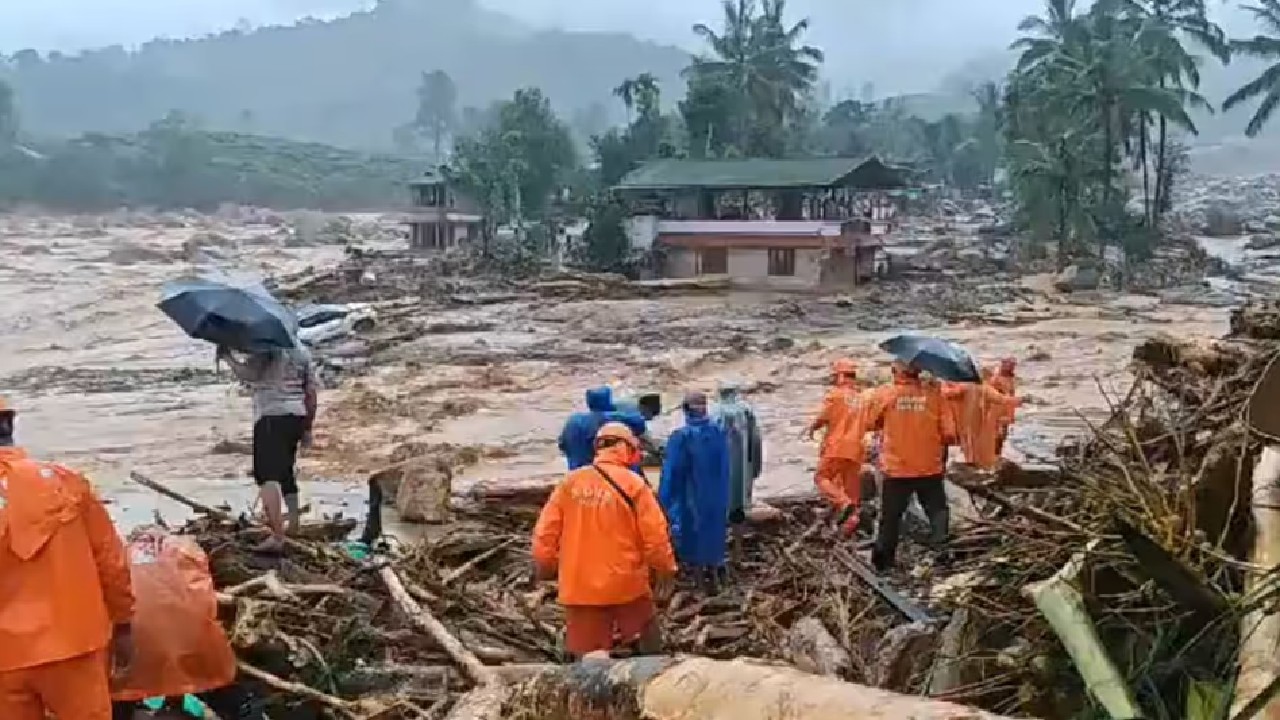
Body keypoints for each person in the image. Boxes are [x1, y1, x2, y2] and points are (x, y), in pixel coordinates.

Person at [0, 396, 136, 720]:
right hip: (76, 642)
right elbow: (111, 563)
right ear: (10, 427)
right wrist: (124, 624)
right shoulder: (67, 482)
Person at [532, 422, 677, 659]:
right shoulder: (634, 485)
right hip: (626, 584)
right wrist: (665, 570)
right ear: (627, 448)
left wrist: (546, 565)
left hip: (580, 587)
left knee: (586, 662)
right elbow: (656, 536)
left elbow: (545, 534)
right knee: (649, 650)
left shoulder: (570, 483)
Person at [110, 528, 263, 720]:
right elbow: (204, 601)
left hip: (135, 647)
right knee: (203, 674)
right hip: (191, 646)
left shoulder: (118, 554)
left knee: (124, 690)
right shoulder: (188, 550)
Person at [218, 343, 318, 554]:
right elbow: (310, 392)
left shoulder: (267, 349)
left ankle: (277, 536)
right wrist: (308, 428)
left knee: (267, 476)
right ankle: (294, 524)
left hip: (271, 417)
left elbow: (248, 375)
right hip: (296, 415)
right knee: (286, 472)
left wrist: (228, 356)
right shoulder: (302, 351)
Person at [863, 362, 957, 572]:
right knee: (937, 511)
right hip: (929, 466)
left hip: (897, 468)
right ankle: (942, 555)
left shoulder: (885, 394)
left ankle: (883, 563)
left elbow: (870, 423)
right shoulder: (935, 395)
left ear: (896, 372)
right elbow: (950, 434)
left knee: (890, 517)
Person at [660, 391, 731, 592]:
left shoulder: (682, 436)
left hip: (692, 495)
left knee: (694, 534)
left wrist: (663, 503)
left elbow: (672, 473)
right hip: (717, 494)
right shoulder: (718, 431)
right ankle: (716, 575)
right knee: (715, 532)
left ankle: (700, 582)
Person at [805, 359, 874, 537]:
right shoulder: (862, 398)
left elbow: (822, 417)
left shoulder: (835, 395)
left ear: (841, 376)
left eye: (836, 375)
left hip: (837, 446)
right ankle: (849, 527)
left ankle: (843, 505)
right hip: (857, 449)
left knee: (822, 478)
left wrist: (812, 427)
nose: (834, 379)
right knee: (852, 491)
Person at [711, 381, 764, 525]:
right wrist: (756, 468)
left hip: (722, 471)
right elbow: (756, 441)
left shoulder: (715, 413)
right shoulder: (746, 411)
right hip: (743, 470)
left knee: (723, 504)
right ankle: (738, 544)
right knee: (740, 508)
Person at [941, 378, 1021, 471]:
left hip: (963, 423)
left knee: (972, 444)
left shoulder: (966, 388)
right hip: (967, 423)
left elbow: (1000, 399)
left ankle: (974, 463)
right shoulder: (978, 387)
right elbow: (1000, 399)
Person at [557, 386, 615, 471]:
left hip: (574, 473)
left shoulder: (573, 420)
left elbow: (562, 445)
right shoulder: (607, 421)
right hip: (599, 474)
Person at [989, 358, 1018, 455]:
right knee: (997, 436)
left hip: (1007, 411)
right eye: (1009, 365)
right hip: (997, 412)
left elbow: (1011, 395)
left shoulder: (1011, 379)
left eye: (1013, 365)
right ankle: (993, 456)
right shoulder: (996, 379)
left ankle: (997, 455)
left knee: (1003, 436)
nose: (1012, 367)